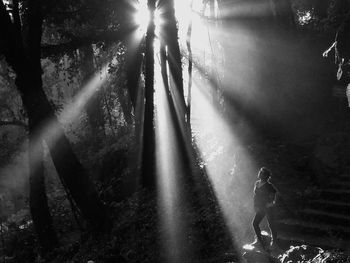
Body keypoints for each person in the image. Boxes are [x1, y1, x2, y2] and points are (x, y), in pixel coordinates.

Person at [252, 167, 278, 250]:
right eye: (260, 172)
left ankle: (274, 242)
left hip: (267, 208)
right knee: (255, 223)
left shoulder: (269, 185)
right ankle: (259, 240)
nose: (261, 174)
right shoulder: (257, 183)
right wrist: (255, 206)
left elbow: (275, 194)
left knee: (271, 225)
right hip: (260, 208)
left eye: (262, 173)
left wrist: (271, 203)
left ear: (266, 176)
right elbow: (255, 196)